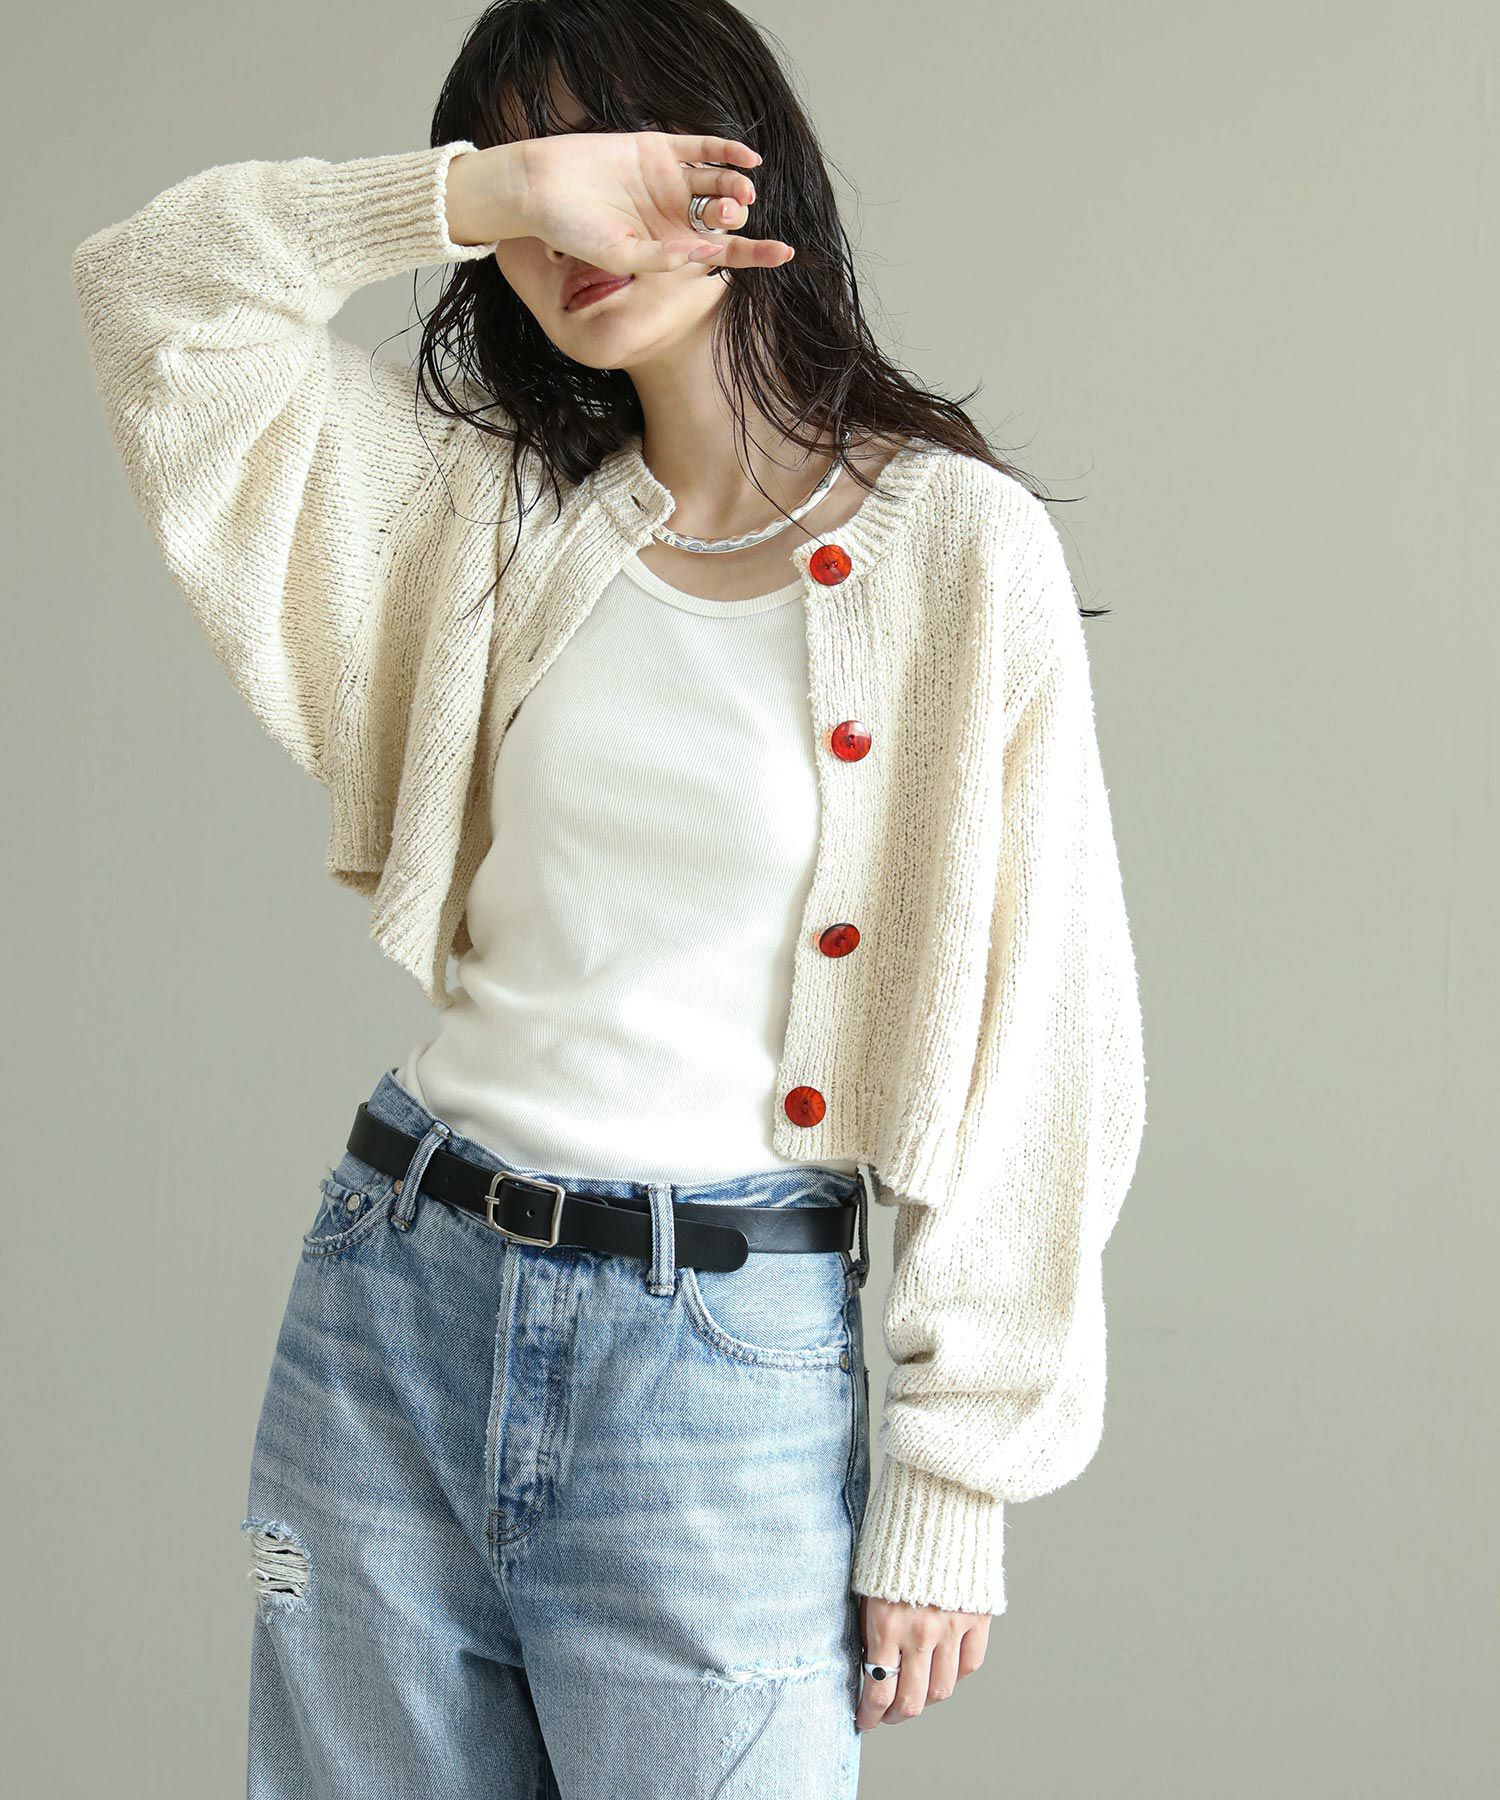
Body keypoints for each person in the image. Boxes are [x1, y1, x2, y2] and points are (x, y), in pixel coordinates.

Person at [70, 2, 1147, 1794]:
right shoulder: (487, 519)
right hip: (392, 1311)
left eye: (614, 163)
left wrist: (954, 1485)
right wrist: (475, 193)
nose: (573, 233)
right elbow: (151, 292)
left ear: (738, 172)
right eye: (532, 188)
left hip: (718, 1372)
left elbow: (1048, 1032)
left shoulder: (961, 553)